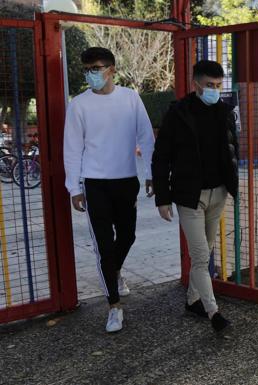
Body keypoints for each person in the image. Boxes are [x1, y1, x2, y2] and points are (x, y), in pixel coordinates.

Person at [63, 47, 155, 333]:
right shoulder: (78, 105)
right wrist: (74, 187)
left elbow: (146, 136)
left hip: (126, 179)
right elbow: (73, 147)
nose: (92, 73)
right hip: (94, 184)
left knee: (128, 235)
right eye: (87, 69)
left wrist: (152, 173)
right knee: (104, 245)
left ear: (112, 69)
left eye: (97, 67)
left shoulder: (130, 98)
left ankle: (114, 272)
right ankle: (114, 306)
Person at [151, 60, 238, 333]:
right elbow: (161, 157)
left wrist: (233, 184)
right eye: (209, 85)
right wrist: (162, 198)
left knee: (207, 249)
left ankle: (192, 300)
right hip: (190, 196)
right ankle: (214, 313)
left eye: (218, 85)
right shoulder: (178, 113)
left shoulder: (225, 111)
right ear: (195, 85)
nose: (214, 90)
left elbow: (232, 149)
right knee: (201, 257)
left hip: (218, 192)